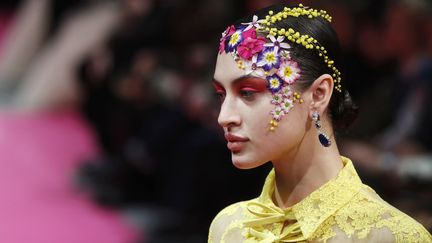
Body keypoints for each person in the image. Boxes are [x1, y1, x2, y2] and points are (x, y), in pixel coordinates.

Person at [208, 4, 432, 243]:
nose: (224, 116)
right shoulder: (229, 227)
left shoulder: (391, 235)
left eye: (248, 92)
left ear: (318, 94)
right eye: (221, 95)